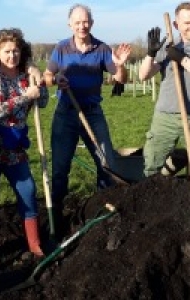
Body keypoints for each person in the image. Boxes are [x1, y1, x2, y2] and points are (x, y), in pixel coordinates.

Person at [43, 3, 131, 240]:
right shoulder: (61, 48)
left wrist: (120, 66)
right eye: (77, 22)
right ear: (70, 24)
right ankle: (57, 217)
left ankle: (102, 211)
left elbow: (120, 78)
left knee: (106, 164)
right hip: (66, 113)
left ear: (91, 23)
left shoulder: (102, 48)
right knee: (60, 169)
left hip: (92, 113)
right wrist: (56, 77)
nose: (82, 26)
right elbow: (47, 76)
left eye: (86, 21)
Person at [0, 28, 48, 268]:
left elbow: (44, 101)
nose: (12, 55)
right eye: (7, 51)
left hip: (16, 145)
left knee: (28, 191)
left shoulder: (25, 74)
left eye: (16, 50)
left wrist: (38, 83)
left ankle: (34, 242)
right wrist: (25, 96)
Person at [139, 2, 190, 177]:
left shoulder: (176, 52)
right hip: (165, 117)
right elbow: (143, 76)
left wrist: (182, 59)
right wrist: (151, 54)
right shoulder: (168, 48)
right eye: (187, 23)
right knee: (153, 164)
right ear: (176, 25)